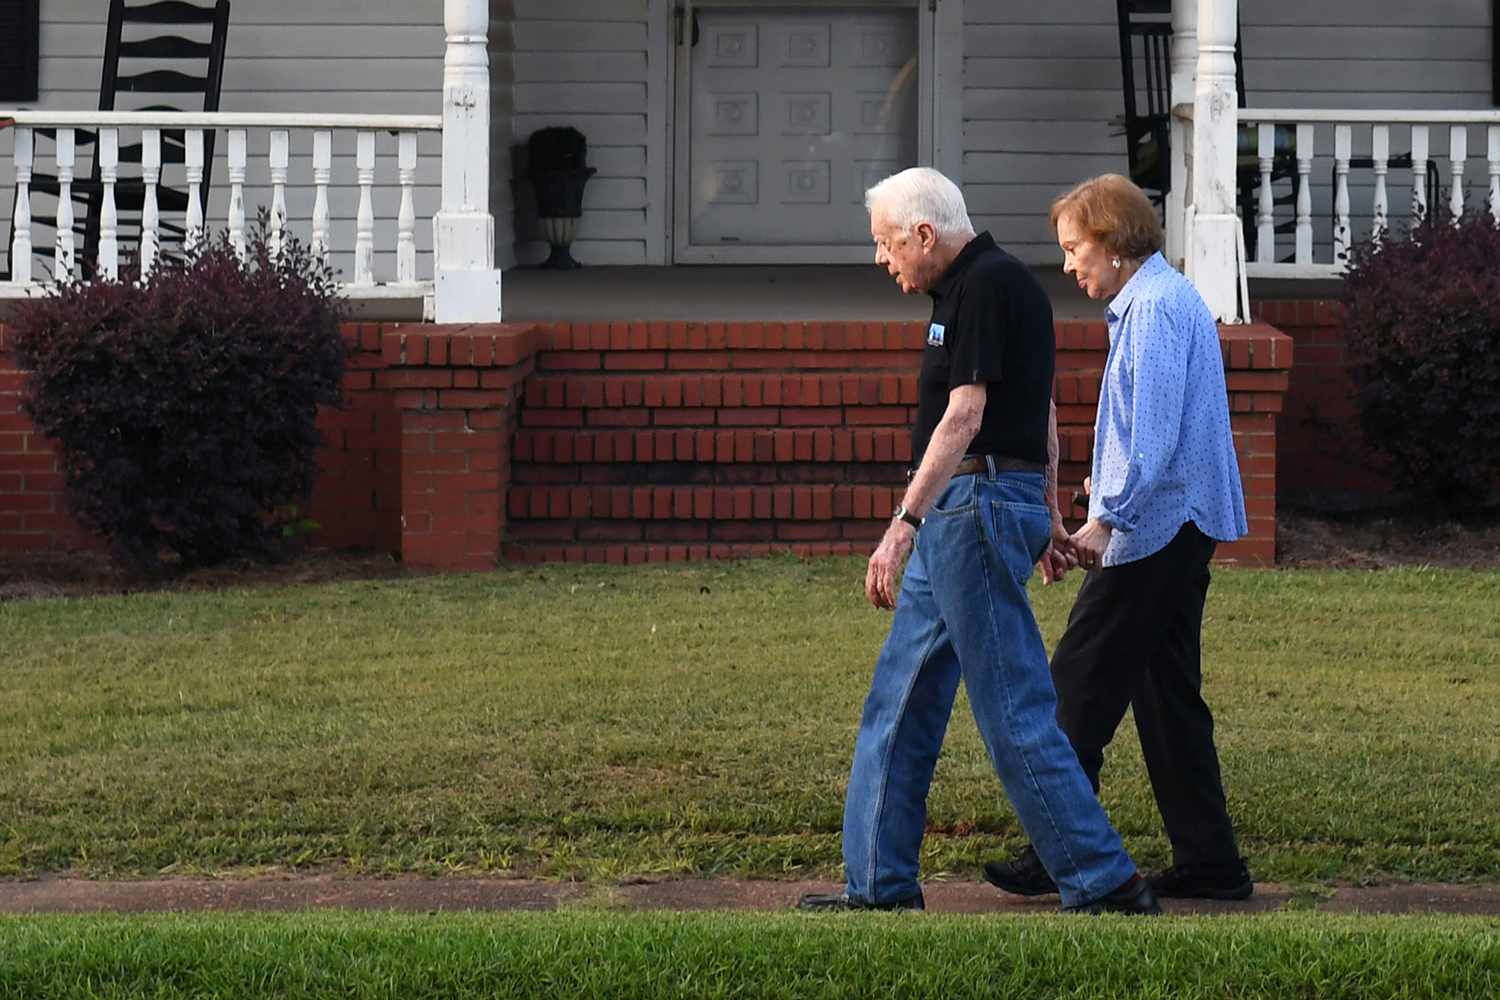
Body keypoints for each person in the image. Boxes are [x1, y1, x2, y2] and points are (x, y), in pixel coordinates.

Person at [796, 167, 1158, 915]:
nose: (881, 258)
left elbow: (965, 417)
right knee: (900, 699)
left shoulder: (987, 285)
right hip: (979, 506)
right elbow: (1047, 409)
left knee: (1012, 706)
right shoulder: (974, 291)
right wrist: (1051, 510)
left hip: (972, 508)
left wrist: (903, 525)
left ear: (925, 234)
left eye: (887, 243)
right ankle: (877, 885)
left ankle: (1103, 880)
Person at [983, 174, 1253, 902]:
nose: (1069, 265)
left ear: (1112, 243)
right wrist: (1096, 504)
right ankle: (1211, 865)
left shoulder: (1157, 311)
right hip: (1172, 524)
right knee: (1166, 696)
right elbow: (1145, 433)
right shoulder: (1153, 302)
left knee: (1076, 683)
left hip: (1156, 530)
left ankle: (1058, 850)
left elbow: (1156, 438)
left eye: (1075, 249)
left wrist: (1109, 521)